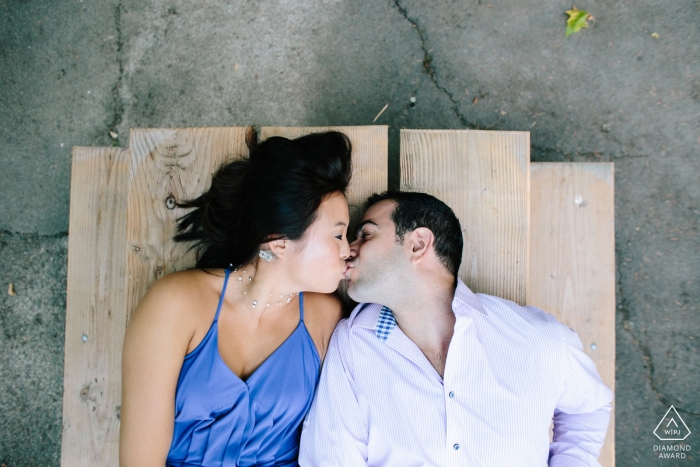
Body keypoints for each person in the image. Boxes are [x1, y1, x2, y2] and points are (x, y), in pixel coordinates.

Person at [300, 191, 614, 467]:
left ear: (418, 244)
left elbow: (589, 407)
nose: (347, 251)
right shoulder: (354, 344)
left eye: (365, 235)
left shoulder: (536, 338)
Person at [120, 130, 353, 467]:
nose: (348, 250)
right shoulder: (176, 305)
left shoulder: (326, 319)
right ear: (278, 242)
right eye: (338, 235)